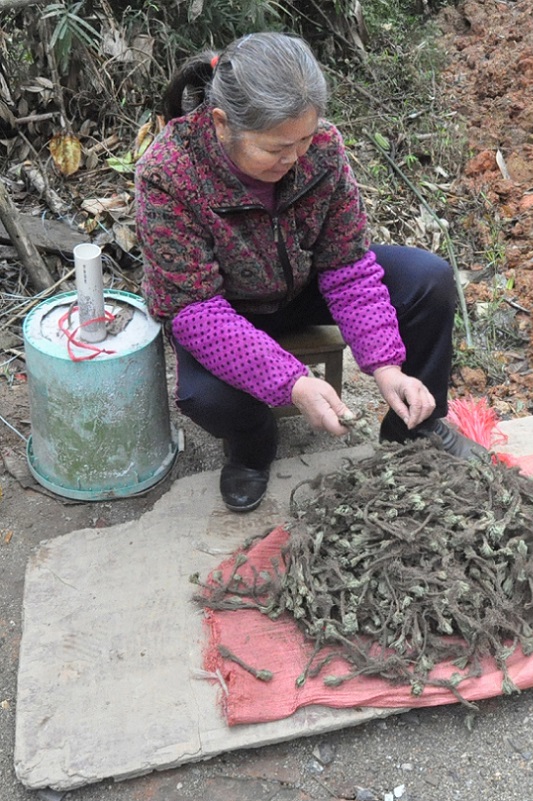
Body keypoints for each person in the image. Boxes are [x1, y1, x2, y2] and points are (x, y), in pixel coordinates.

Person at [135, 31, 485, 513]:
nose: (295, 158)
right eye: (277, 148)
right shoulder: (168, 173)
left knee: (429, 278)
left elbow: (347, 266)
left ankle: (413, 427)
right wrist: (291, 382)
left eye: (303, 140)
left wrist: (385, 365)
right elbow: (194, 311)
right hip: (225, 312)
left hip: (304, 283)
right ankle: (253, 448)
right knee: (202, 397)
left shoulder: (321, 147)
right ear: (221, 124)